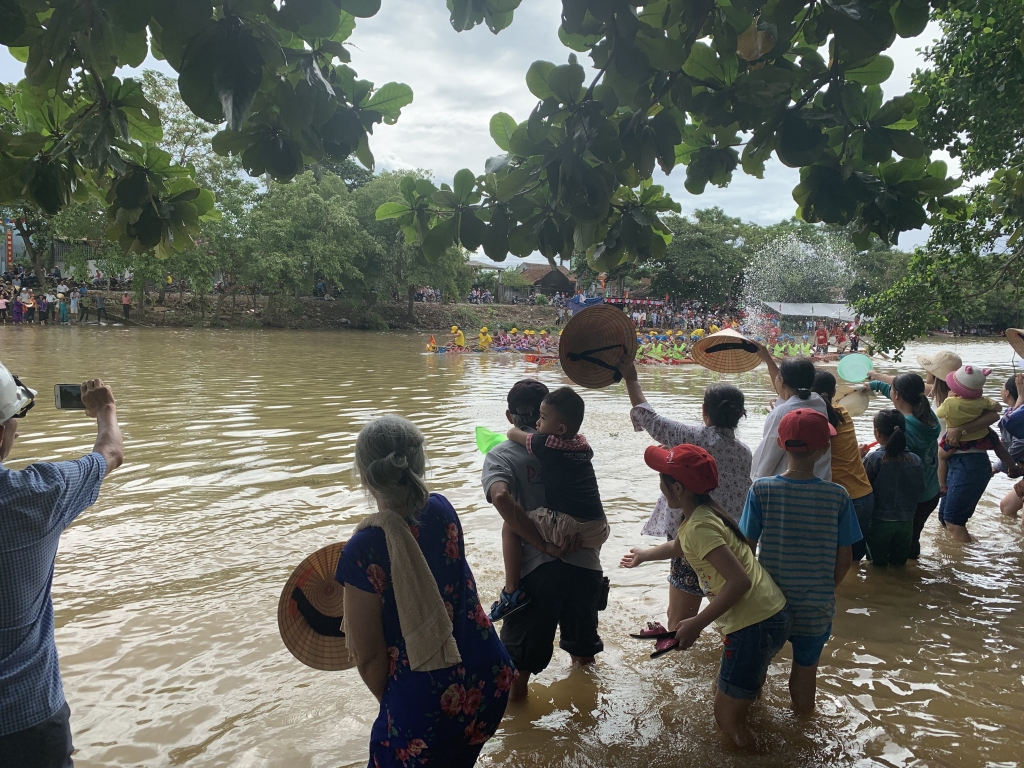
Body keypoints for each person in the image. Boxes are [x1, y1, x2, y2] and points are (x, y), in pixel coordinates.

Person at [336, 416, 513, 767]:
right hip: (488, 676)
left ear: (365, 477)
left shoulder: (364, 549)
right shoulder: (442, 508)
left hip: (431, 702)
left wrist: (398, 706)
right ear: (418, 464)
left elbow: (369, 657)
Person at [622, 444, 791, 748]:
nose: (660, 486)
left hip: (753, 625)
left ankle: (756, 757)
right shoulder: (704, 514)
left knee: (725, 718)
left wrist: (696, 623)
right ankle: (758, 731)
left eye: (662, 480)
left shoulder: (699, 526)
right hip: (771, 615)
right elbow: (679, 546)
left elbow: (739, 582)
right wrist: (644, 555)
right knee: (736, 693)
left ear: (677, 488)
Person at [0, 366, 123, 768]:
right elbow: (110, 452)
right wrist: (105, 410)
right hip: (28, 720)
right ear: (1, 433)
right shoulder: (38, 494)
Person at [481, 379, 605, 702]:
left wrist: (541, 544)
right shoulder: (574, 448)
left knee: (516, 673)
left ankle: (518, 729)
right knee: (584, 658)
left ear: (509, 416)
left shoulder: (501, 455)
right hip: (585, 563)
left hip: (538, 575)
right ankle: (586, 722)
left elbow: (501, 498)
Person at [739, 409, 860, 714]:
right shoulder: (838, 496)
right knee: (805, 672)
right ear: (824, 448)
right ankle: (804, 724)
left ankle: (753, 719)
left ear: (781, 444)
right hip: (815, 606)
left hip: (769, 604)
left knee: (757, 666)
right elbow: (845, 557)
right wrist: (826, 588)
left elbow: (746, 550)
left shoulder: (761, 490)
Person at [620, 359, 752, 634]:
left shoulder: (691, 437)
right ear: (739, 415)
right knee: (729, 623)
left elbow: (649, 419)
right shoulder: (744, 453)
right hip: (728, 544)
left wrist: (631, 379)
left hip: (692, 545)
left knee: (677, 624)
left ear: (705, 411)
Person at [495, 386, 608, 620]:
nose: (538, 422)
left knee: (510, 524)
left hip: (564, 531)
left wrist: (542, 545)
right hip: (597, 531)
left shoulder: (544, 445)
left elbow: (500, 495)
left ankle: (511, 592)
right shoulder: (583, 446)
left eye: (543, 417)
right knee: (582, 641)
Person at [866, 373, 943, 558]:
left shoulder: (903, 429)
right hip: (931, 491)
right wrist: (875, 385)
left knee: (894, 544)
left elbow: (885, 463)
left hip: (910, 498)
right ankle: (911, 568)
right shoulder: (927, 414)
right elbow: (899, 397)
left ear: (897, 395)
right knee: (911, 536)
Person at [812, 372, 873, 561]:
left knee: (833, 561)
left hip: (839, 500)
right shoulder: (842, 413)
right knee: (853, 562)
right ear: (834, 392)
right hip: (863, 495)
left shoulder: (813, 421)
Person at [751, 348, 832, 480]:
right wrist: (768, 360)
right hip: (819, 481)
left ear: (782, 382)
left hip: (788, 486)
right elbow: (789, 399)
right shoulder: (819, 402)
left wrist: (754, 483)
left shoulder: (781, 413)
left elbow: (765, 461)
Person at [863, 410, 925, 567]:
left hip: (880, 522)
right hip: (906, 523)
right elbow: (920, 489)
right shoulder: (916, 460)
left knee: (877, 567)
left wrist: (858, 459)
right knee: (899, 566)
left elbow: (862, 488)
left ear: (877, 433)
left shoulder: (873, 458)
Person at [997, 373, 1024, 518]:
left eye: (1002, 387)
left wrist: (999, 466)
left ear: (1007, 393)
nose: (1000, 390)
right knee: (1006, 507)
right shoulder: (1010, 412)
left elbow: (1020, 440)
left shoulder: (1015, 416)